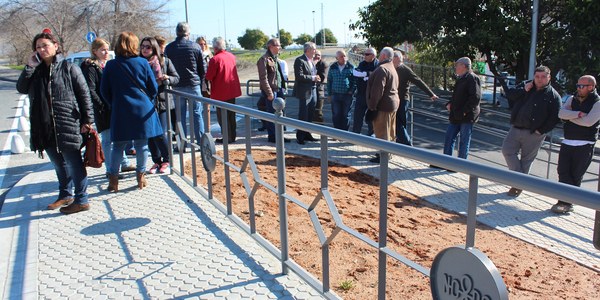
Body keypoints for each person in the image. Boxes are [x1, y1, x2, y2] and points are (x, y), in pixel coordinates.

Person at [16, 31, 94, 214]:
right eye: (38, 47)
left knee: (73, 162)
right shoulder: (35, 70)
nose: (42, 50)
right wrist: (29, 66)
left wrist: (87, 119)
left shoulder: (69, 68)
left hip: (67, 121)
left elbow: (84, 94)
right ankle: (65, 194)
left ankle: (82, 199)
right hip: (44, 125)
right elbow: (22, 88)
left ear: (56, 46)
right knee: (59, 163)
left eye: (45, 45)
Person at [101, 31, 162, 192]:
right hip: (142, 109)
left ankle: (113, 180)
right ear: (134, 45)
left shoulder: (111, 65)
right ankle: (141, 176)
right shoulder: (142, 62)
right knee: (142, 146)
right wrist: (147, 100)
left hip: (120, 110)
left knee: (118, 147)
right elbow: (153, 87)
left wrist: (114, 103)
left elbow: (104, 91)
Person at [502, 65, 561, 197]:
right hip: (516, 127)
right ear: (534, 77)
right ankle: (521, 182)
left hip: (534, 132)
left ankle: (517, 186)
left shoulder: (553, 95)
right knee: (507, 150)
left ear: (549, 77)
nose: (539, 80)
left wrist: (542, 130)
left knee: (526, 160)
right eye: (537, 77)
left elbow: (555, 117)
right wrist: (524, 89)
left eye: (543, 77)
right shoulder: (526, 85)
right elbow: (510, 94)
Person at [80, 38, 135, 179]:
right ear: (95, 51)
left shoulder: (108, 64)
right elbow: (91, 90)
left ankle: (124, 163)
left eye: (107, 49)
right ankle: (110, 169)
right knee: (107, 139)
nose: (106, 52)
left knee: (118, 136)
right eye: (102, 50)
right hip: (103, 109)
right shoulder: (91, 67)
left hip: (114, 106)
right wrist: (102, 104)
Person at [550, 75, 600, 213]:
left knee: (575, 174)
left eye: (581, 86)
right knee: (562, 172)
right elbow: (561, 113)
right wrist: (578, 114)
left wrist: (570, 116)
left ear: (591, 87)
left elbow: (589, 122)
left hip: (585, 143)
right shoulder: (572, 99)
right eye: (578, 85)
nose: (578, 88)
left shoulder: (597, 102)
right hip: (568, 141)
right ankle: (562, 201)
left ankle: (567, 204)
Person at [140, 36, 179, 174]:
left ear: (154, 48)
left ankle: (167, 160)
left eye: (148, 47)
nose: (145, 49)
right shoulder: (139, 62)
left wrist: (168, 78)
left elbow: (176, 78)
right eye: (143, 46)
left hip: (162, 101)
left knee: (160, 133)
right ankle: (157, 161)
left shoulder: (165, 61)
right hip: (146, 102)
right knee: (150, 134)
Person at [165, 22, 205, 149]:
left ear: (177, 32)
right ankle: (201, 142)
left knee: (180, 116)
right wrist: (200, 79)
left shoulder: (170, 48)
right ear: (188, 33)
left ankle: (182, 144)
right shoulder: (195, 47)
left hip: (177, 86)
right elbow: (202, 68)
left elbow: (166, 67)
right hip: (193, 85)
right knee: (197, 114)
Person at [393, 51, 439, 145]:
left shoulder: (405, 70)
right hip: (394, 99)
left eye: (393, 58)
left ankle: (408, 145)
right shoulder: (392, 68)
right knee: (399, 124)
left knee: (399, 123)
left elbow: (418, 81)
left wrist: (431, 94)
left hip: (402, 100)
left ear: (397, 59)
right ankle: (401, 143)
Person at [442, 57, 481, 160]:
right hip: (456, 113)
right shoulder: (461, 78)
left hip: (466, 115)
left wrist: (464, 112)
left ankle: (461, 165)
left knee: (464, 141)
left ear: (463, 66)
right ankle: (446, 162)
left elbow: (475, 98)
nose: (455, 67)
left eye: (457, 65)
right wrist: (450, 103)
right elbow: (457, 96)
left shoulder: (472, 78)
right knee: (449, 138)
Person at [366, 47, 400, 163]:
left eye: (380, 55)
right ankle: (388, 153)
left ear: (384, 56)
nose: (379, 57)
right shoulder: (392, 68)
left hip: (383, 106)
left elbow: (377, 91)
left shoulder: (382, 69)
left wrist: (372, 107)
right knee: (390, 131)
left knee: (382, 131)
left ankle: (383, 156)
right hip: (392, 104)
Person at [205, 37, 242, 144]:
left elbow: (209, 76)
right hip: (232, 89)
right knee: (231, 115)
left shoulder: (215, 59)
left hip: (221, 92)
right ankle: (232, 136)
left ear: (215, 47)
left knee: (223, 117)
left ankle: (227, 137)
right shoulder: (231, 56)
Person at [257, 38, 290, 143]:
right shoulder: (264, 59)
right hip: (272, 91)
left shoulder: (275, 59)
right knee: (272, 114)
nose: (280, 47)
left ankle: (279, 135)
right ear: (271, 46)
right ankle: (273, 136)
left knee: (280, 114)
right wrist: (269, 93)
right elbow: (263, 79)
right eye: (278, 45)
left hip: (278, 89)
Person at [293, 42, 320, 144]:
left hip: (313, 89)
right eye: (314, 49)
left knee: (310, 113)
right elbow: (299, 76)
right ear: (308, 50)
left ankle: (307, 134)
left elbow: (311, 73)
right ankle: (300, 136)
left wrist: (316, 78)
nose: (315, 51)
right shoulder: (299, 60)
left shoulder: (311, 61)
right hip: (304, 91)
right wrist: (313, 77)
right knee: (303, 114)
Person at [327, 50, 355, 130]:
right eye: (341, 56)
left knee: (346, 115)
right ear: (337, 58)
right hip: (335, 94)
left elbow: (355, 81)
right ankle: (337, 133)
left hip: (347, 95)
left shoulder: (351, 67)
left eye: (344, 56)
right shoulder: (333, 67)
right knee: (336, 114)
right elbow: (329, 81)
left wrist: (351, 91)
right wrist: (329, 94)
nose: (343, 58)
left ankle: (344, 133)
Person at [352, 47, 378, 135]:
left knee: (371, 118)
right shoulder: (362, 64)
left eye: (367, 54)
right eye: (364, 54)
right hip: (361, 94)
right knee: (357, 116)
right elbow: (355, 73)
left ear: (373, 56)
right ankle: (355, 135)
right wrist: (367, 74)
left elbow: (375, 77)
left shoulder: (378, 65)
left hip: (372, 96)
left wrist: (364, 75)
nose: (364, 56)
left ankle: (371, 137)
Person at [314, 50, 328, 123]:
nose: (317, 56)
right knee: (310, 112)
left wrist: (314, 68)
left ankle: (321, 131)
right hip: (310, 91)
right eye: (316, 54)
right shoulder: (309, 63)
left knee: (318, 112)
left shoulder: (323, 64)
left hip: (319, 91)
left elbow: (321, 78)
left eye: (319, 55)